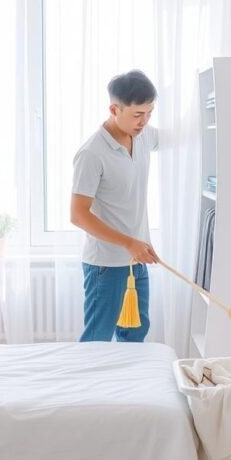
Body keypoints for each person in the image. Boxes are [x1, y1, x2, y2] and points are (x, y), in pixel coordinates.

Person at [70, 69, 159, 343]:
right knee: (97, 339)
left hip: (136, 261)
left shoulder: (143, 135)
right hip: (105, 266)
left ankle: (126, 387)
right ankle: (87, 386)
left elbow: (183, 134)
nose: (144, 121)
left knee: (135, 335)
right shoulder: (91, 154)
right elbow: (77, 215)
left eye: (149, 113)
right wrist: (129, 242)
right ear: (113, 109)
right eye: (137, 115)